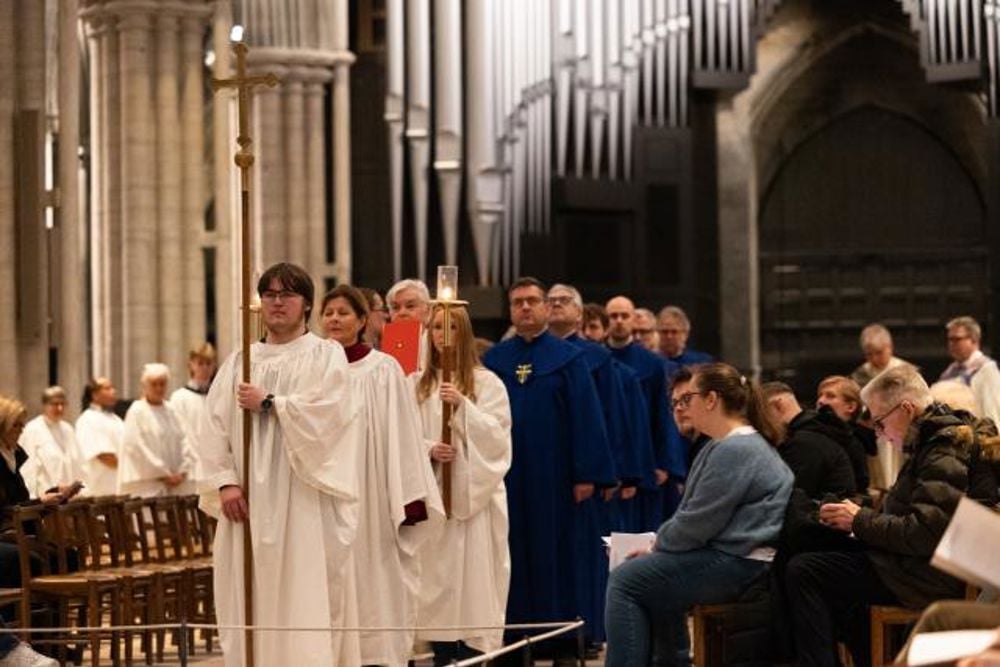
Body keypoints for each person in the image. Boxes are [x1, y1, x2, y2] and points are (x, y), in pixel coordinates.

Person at [199, 263, 365, 666]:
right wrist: (225, 482)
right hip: (247, 501)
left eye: (287, 294)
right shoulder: (241, 360)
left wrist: (272, 403)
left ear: (306, 303)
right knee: (249, 593)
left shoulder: (325, 355)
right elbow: (212, 425)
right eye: (269, 294)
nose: (277, 302)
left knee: (303, 592)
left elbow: (335, 415)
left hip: (303, 497)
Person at [604, 363, 794, 667]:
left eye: (688, 398)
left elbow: (698, 523)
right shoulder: (723, 445)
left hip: (740, 563)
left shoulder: (738, 449)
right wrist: (657, 547)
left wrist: (656, 545)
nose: (682, 407)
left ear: (711, 400)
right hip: (731, 556)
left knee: (625, 580)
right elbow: (695, 517)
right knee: (650, 579)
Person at [785, 364, 973, 667]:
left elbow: (923, 533)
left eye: (880, 423)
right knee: (822, 561)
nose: (880, 434)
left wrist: (859, 519)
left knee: (805, 570)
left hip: (924, 575)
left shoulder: (942, 451)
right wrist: (856, 514)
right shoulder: (933, 443)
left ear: (907, 409)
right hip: (912, 565)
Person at [482, 277, 615, 661]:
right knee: (510, 554)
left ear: (545, 307)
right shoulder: (495, 360)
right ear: (510, 311)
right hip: (507, 475)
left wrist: (586, 473)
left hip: (556, 478)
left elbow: (586, 417)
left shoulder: (569, 358)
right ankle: (511, 642)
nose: (525, 308)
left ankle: (562, 643)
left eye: (532, 301)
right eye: (517, 302)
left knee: (559, 556)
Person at [321, 284, 443, 666]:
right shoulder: (311, 367)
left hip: (371, 489)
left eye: (344, 312)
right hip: (321, 490)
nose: (335, 319)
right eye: (328, 312)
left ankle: (375, 656)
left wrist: (410, 497)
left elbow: (403, 433)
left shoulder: (383, 368)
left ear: (363, 321)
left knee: (373, 577)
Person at [412, 304, 512, 666]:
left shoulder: (487, 383)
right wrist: (428, 449)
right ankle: (441, 655)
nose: (443, 336)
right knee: (435, 584)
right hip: (432, 498)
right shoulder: (415, 384)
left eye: (452, 328)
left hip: (474, 500)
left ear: (465, 333)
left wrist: (463, 408)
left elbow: (499, 441)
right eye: (437, 328)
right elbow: (401, 437)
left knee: (472, 584)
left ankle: (471, 656)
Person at [606, 295, 685, 528]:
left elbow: (662, 414)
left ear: (633, 319)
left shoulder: (652, 363)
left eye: (624, 316)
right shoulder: (596, 359)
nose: (619, 321)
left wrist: (663, 462)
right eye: (613, 316)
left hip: (644, 454)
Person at [0, 395, 59, 667]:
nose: (21, 431)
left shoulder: (13, 457)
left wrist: (46, 502)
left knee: (63, 556)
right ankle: (18, 647)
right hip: (5, 532)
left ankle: (51, 642)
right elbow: (5, 509)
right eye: (16, 425)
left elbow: (18, 502)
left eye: (22, 425)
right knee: (20, 558)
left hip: (17, 529)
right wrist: (38, 504)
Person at [763, 382, 858, 500]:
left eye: (763, 413)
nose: (761, 421)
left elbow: (793, 493)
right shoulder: (815, 429)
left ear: (779, 405)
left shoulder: (804, 441)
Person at [119, 363, 197, 498]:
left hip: (176, 484)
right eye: (154, 384)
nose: (159, 388)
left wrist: (182, 471)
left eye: (162, 384)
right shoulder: (137, 411)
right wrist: (162, 473)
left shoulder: (172, 410)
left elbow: (185, 441)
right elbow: (136, 446)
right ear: (145, 386)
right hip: (147, 485)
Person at [19, 386, 84, 500]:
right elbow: (28, 469)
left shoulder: (68, 429)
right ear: (44, 405)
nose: (60, 408)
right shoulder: (32, 430)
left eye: (63, 404)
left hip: (69, 499)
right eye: (55, 404)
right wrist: (31, 499)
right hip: (46, 500)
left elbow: (78, 464)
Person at [816, 375, 875, 491]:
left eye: (830, 396)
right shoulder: (811, 434)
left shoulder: (855, 445)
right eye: (820, 395)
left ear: (851, 407)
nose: (820, 401)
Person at [168, 342, 217, 484]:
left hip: (214, 471)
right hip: (189, 472)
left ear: (214, 366)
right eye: (200, 363)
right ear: (191, 365)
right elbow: (178, 435)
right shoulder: (179, 398)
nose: (205, 368)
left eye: (208, 363)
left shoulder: (218, 397)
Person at [939, 316, 1000, 425]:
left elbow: (992, 411)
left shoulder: (986, 369)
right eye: (950, 339)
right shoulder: (950, 371)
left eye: (957, 339)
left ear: (974, 340)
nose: (951, 343)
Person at [74, 377, 124, 496]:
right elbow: (103, 455)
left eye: (113, 388)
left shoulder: (116, 419)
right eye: (108, 388)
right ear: (94, 395)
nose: (113, 391)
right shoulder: (88, 419)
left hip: (118, 487)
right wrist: (129, 467)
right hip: (99, 491)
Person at [851, 323, 910, 388]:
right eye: (869, 354)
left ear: (890, 347)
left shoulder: (907, 372)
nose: (874, 359)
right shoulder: (860, 375)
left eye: (879, 353)